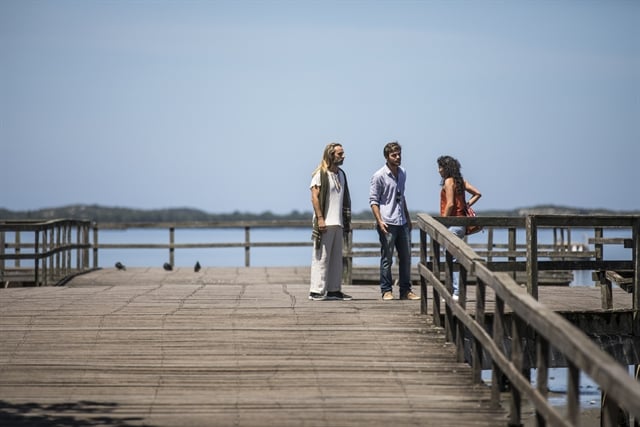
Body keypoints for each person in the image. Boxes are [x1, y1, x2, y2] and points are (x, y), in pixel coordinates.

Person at [369, 141, 419, 301]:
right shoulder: (379, 175)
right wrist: (379, 221)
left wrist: (408, 218)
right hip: (387, 222)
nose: (398, 157)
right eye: (394, 155)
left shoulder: (403, 172)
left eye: (399, 154)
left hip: (402, 221)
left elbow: (402, 197)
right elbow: (373, 201)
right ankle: (386, 290)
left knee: (406, 258)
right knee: (387, 259)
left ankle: (405, 291)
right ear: (386, 157)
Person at [309, 143, 352, 301]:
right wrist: (320, 218)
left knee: (336, 259)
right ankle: (316, 290)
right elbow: (314, 197)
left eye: (343, 153)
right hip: (325, 222)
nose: (343, 156)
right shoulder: (320, 174)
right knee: (321, 257)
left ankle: (334, 290)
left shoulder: (341, 174)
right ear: (331, 155)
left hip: (338, 222)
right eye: (340, 154)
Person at [437, 155, 482, 300]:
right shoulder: (461, 181)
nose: (439, 171)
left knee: (453, 257)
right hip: (462, 224)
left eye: (441, 167)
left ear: (447, 168)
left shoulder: (449, 181)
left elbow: (450, 204)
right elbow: (478, 193)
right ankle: (453, 290)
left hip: (453, 224)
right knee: (451, 256)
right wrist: (466, 205)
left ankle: (456, 292)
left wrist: (443, 221)